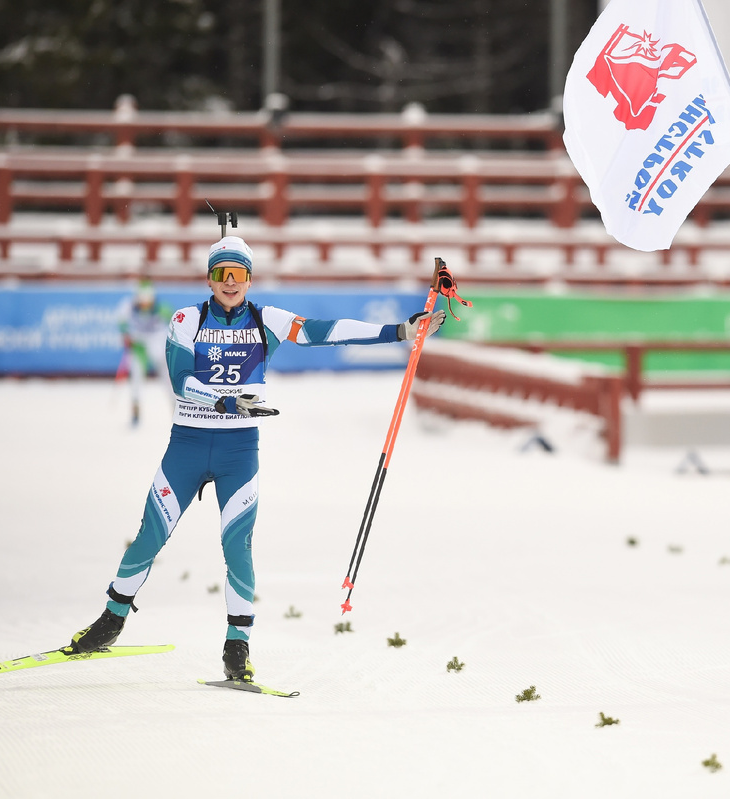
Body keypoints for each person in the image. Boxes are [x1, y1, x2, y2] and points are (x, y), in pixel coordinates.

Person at [66, 235, 447, 681]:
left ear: (250, 279)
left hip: (238, 450)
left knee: (237, 546)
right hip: (187, 444)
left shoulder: (268, 319)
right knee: (150, 535)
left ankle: (237, 646)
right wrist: (224, 401)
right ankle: (111, 620)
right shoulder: (187, 319)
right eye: (221, 273)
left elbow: (325, 331)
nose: (230, 282)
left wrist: (400, 331)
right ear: (209, 279)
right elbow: (181, 380)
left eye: (239, 274)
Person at [116, 279, 173, 426]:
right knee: (136, 377)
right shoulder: (128, 306)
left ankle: (176, 409)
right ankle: (135, 412)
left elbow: (176, 323)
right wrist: (126, 336)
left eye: (148, 299)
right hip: (139, 345)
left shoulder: (161, 307)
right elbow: (121, 322)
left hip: (157, 343)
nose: (145, 303)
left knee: (167, 378)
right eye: (142, 299)